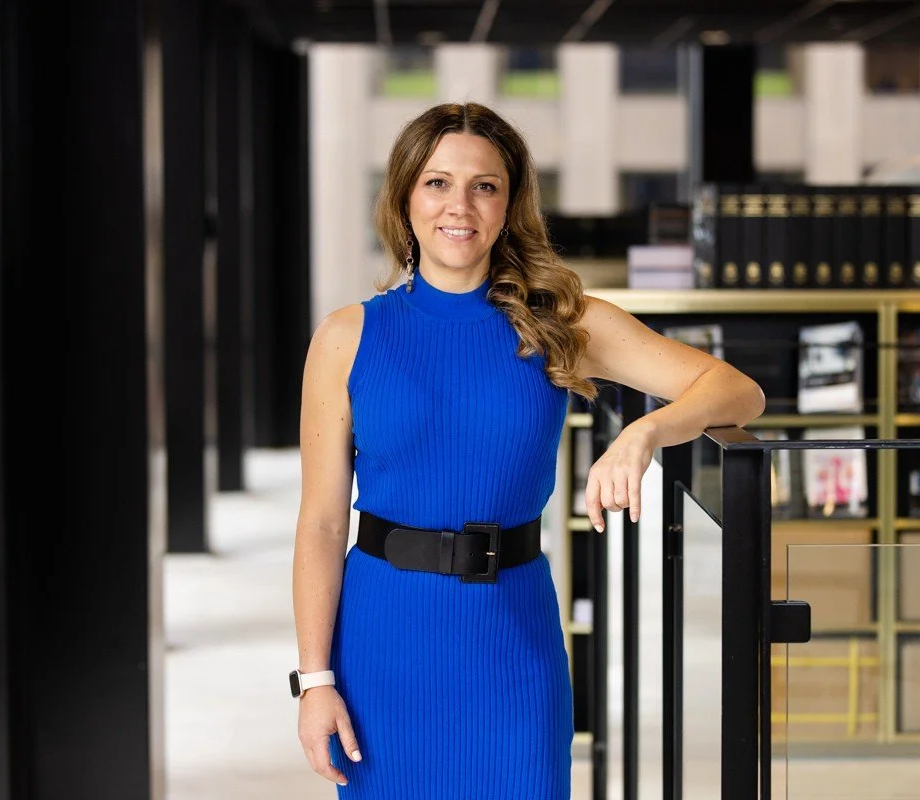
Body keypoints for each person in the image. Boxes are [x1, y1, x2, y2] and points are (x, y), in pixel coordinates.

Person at [291, 102, 765, 799]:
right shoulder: (346, 337)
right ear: (404, 199)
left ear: (509, 205)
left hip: (513, 643)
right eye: (437, 183)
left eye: (484, 185)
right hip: (383, 645)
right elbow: (323, 524)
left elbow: (737, 390)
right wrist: (314, 680)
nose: (460, 206)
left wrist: (645, 433)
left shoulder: (560, 323)